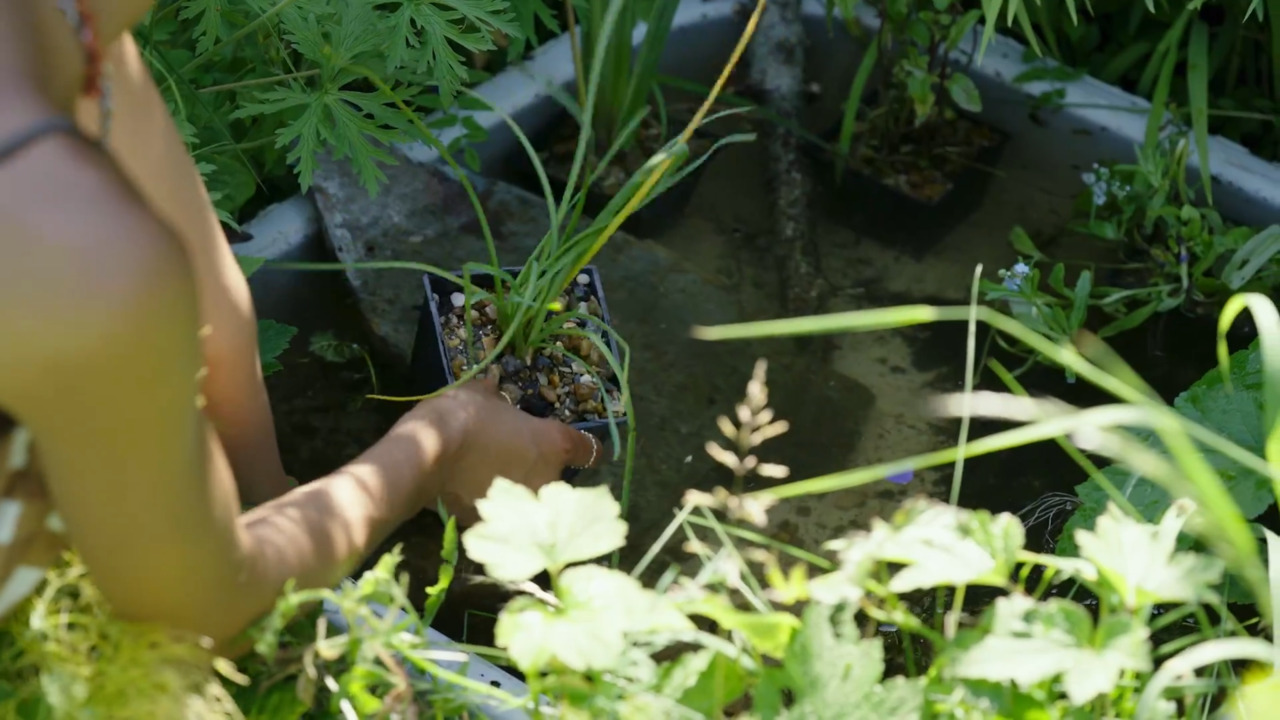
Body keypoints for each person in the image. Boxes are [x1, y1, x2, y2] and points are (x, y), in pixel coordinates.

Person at [0, 0, 600, 651]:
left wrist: (271, 497)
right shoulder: (72, 250)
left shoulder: (67, 30)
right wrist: (440, 445)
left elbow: (216, 313)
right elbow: (200, 611)